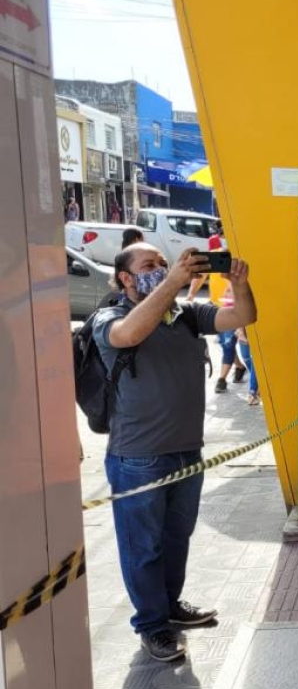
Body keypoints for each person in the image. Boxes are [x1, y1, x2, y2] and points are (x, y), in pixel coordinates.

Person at [94, 243, 257, 662]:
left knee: (175, 538)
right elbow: (127, 335)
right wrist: (172, 282)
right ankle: (151, 625)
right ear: (126, 278)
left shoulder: (185, 315)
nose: (162, 269)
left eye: (164, 264)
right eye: (149, 266)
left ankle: (169, 607)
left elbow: (242, 317)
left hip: (187, 452)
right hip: (137, 458)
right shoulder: (111, 317)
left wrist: (239, 285)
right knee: (143, 546)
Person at [236, 327, 259, 406]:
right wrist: (240, 331)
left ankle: (252, 391)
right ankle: (259, 381)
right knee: (246, 357)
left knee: (255, 359)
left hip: (256, 327)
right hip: (243, 327)